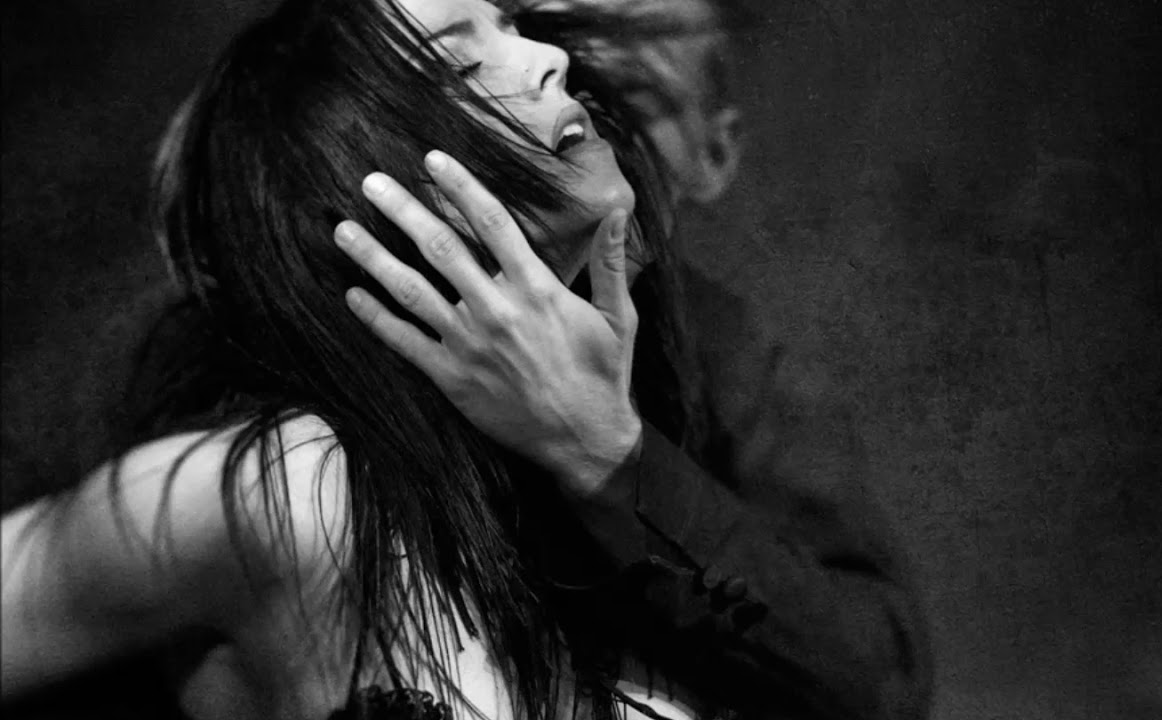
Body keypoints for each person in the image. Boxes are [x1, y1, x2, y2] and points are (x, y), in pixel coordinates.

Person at [1, 1, 930, 719]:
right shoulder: (292, 489)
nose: (559, 58)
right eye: (462, 62)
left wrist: (609, 458)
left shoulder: (701, 376)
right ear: (367, 169)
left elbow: (869, 679)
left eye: (518, 28)